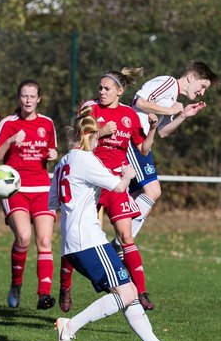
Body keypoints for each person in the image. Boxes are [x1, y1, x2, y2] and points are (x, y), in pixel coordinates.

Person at [50, 112, 191, 341]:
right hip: (88, 241)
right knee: (126, 293)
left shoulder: (63, 162)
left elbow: (53, 202)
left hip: (71, 245)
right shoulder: (86, 159)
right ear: (90, 136)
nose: (99, 142)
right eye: (97, 136)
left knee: (128, 293)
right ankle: (69, 326)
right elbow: (118, 187)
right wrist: (127, 174)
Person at [59, 68, 154, 313]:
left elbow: (143, 149)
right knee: (75, 236)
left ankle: (141, 291)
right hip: (90, 183)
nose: (101, 92)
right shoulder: (90, 109)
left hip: (115, 183)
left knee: (126, 237)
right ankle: (65, 287)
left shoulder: (129, 115)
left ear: (120, 91)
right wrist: (101, 133)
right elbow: (76, 143)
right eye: (100, 88)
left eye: (106, 88)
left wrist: (153, 128)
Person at [0, 79, 58, 310]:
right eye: (24, 96)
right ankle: (16, 285)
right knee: (24, 237)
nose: (28, 100)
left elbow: (50, 153)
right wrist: (9, 141)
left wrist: (52, 155)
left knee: (45, 241)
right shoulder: (8, 124)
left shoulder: (47, 123)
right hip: (15, 189)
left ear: (39, 99)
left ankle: (43, 294)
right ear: (19, 98)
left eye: (32, 96)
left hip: (42, 188)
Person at [127, 61, 217, 237]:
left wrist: (183, 115)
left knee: (138, 194)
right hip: (133, 138)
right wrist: (169, 111)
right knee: (153, 191)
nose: (202, 92)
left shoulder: (173, 100)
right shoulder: (168, 82)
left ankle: (122, 237)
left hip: (145, 143)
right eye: (203, 86)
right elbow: (139, 102)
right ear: (191, 77)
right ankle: (125, 241)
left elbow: (162, 132)